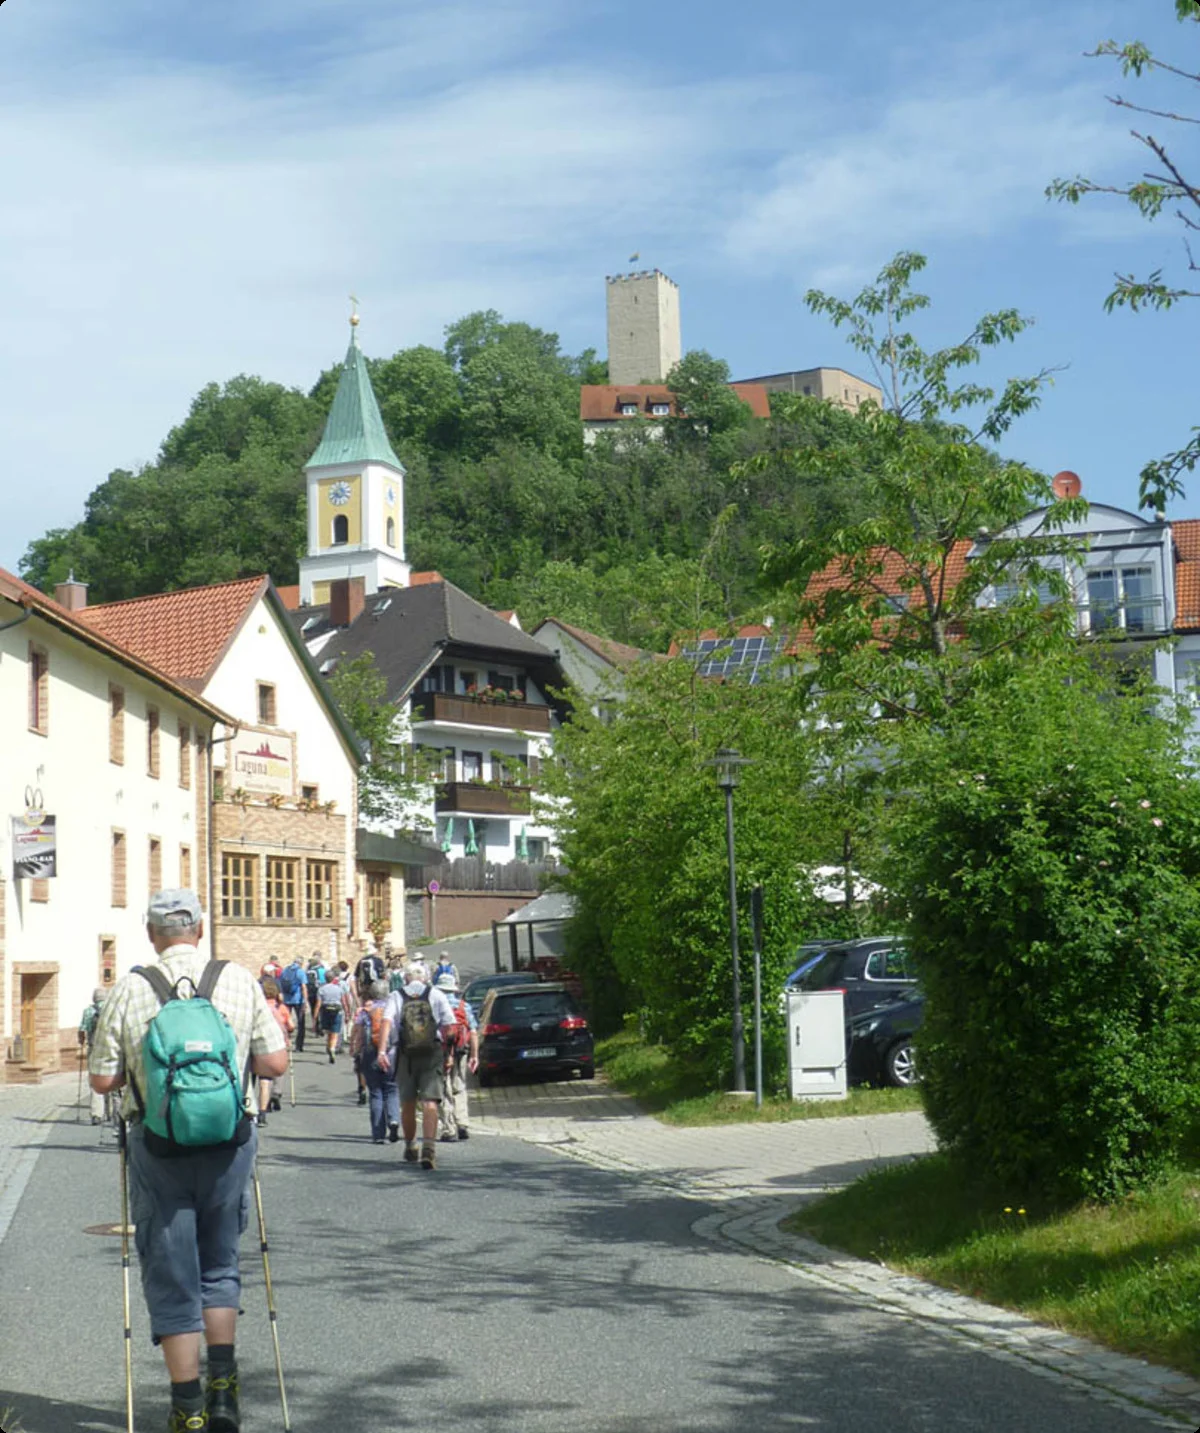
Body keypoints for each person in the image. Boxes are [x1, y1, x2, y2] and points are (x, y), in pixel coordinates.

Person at [88, 888, 288, 1433]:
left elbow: (102, 1079)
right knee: (219, 1264)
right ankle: (224, 1394)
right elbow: (274, 1062)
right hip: (228, 1146)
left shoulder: (131, 988)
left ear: (151, 935)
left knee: (172, 1271)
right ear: (200, 929)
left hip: (160, 1147)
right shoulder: (238, 979)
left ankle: (189, 1409)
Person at [375, 960, 458, 1170]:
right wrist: (450, 1054)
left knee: (408, 1103)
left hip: (405, 1054)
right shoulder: (436, 994)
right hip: (432, 1053)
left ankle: (411, 1145)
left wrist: (382, 1051)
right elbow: (450, 1027)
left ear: (406, 978)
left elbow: (386, 1022)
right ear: (425, 978)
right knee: (430, 1102)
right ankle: (429, 1148)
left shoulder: (396, 996)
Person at [350, 979, 399, 1144]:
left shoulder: (365, 1012)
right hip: (392, 1053)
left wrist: (356, 1051)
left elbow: (358, 1033)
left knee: (375, 1092)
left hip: (370, 1053)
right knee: (392, 1089)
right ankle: (393, 1119)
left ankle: (378, 1134)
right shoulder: (393, 1010)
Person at [434, 973, 478, 1142]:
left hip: (440, 1051)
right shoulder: (464, 1006)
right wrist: (474, 1055)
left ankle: (449, 1129)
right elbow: (473, 1032)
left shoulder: (434, 1006)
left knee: (443, 1089)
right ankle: (462, 1123)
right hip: (460, 1051)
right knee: (459, 1086)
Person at [257, 978, 294, 1126]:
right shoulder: (281, 1008)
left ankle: (262, 1110)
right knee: (279, 1070)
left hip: (261, 1044)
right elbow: (291, 1026)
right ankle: (277, 1092)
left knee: (264, 1079)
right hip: (279, 1043)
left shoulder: (258, 1007)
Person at [78, 986, 109, 1124]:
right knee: (111, 1077)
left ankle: (97, 1113)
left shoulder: (88, 1011)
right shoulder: (110, 1009)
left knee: (95, 1079)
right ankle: (111, 1112)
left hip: (94, 1049)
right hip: (109, 1049)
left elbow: (82, 1031)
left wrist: (81, 1042)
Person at [316, 968, 346, 1063]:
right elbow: (343, 1002)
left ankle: (329, 1046)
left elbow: (318, 1004)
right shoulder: (339, 989)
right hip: (337, 1010)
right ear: (333, 978)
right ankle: (332, 1048)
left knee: (328, 1031)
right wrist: (347, 1012)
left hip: (325, 1010)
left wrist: (315, 1016)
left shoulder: (321, 989)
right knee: (335, 1032)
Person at [278, 955, 307, 1052]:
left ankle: (286, 1043)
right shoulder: (300, 972)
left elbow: (280, 983)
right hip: (298, 1000)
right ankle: (299, 1046)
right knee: (301, 1023)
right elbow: (303, 987)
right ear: (301, 963)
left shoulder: (285, 970)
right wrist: (305, 1001)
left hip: (287, 999)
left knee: (285, 1021)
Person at [305, 953, 326, 1026]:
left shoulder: (307, 971)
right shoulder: (321, 970)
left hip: (310, 992)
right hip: (319, 991)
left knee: (313, 1008)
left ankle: (315, 1025)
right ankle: (322, 1025)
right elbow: (324, 982)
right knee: (321, 1009)